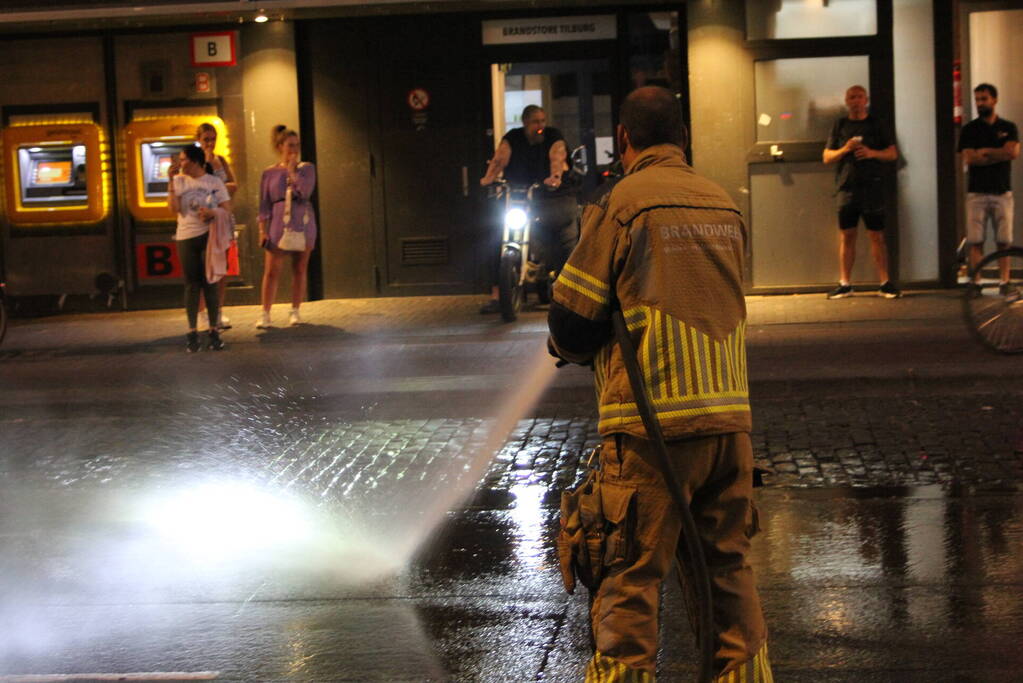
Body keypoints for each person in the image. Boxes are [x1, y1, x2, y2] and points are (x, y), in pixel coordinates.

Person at [548, 86, 772, 682]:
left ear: (624, 138)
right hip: (730, 427)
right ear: (683, 137)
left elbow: (572, 320)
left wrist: (565, 348)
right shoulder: (723, 203)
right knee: (726, 570)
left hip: (653, 430)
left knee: (629, 576)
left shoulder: (621, 204)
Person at [479, 104, 578, 313]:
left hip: (549, 196)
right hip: (518, 197)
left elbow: (557, 156)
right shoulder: (513, 137)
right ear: (525, 123)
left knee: (563, 238)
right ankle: (497, 295)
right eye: (535, 122)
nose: (540, 126)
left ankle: (566, 291)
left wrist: (556, 177)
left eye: (543, 121)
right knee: (494, 236)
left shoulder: (553, 136)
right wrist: (488, 179)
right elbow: (500, 159)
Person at [823, 85, 901, 299]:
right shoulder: (840, 125)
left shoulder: (877, 124)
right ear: (846, 101)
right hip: (847, 189)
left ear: (866, 99)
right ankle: (845, 283)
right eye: (851, 97)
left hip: (872, 188)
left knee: (877, 235)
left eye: (859, 96)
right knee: (847, 235)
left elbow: (892, 154)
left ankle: (884, 282)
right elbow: (827, 157)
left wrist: (871, 152)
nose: (855, 100)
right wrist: (845, 149)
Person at [167, 144, 232, 352]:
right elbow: (173, 209)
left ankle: (214, 330)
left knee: (210, 282)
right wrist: (170, 182)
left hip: (208, 235)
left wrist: (213, 213)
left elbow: (226, 210)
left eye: (183, 159)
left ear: (195, 161)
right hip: (185, 235)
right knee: (191, 284)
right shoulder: (178, 180)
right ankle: (192, 331)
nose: (180, 163)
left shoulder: (213, 182)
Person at [958, 83, 1020, 295]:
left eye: (984, 99)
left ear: (994, 99)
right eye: (977, 99)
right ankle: (976, 282)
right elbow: (969, 157)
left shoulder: (1009, 127)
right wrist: (997, 153)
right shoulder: (969, 130)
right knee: (975, 240)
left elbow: (1012, 153)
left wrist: (985, 152)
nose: (980, 103)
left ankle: (1005, 282)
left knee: (1004, 241)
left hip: (1002, 191)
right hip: (976, 192)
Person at [256, 125, 317, 328]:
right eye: (290, 145)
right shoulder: (269, 173)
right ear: (280, 146)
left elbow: (305, 192)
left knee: (300, 268)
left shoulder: (306, 169)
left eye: (297, 145)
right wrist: (262, 230)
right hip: (278, 221)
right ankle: (265, 313)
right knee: (272, 270)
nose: (294, 149)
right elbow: (264, 204)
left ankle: (295, 310)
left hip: (302, 219)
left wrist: (292, 172)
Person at [194, 122, 238, 332]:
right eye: (206, 139)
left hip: (222, 218)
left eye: (213, 139)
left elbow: (234, 185)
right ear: (199, 140)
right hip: (203, 222)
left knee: (223, 268)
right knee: (205, 269)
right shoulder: (195, 162)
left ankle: (218, 311)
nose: (210, 143)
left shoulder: (221, 160)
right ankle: (203, 313)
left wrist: (218, 189)